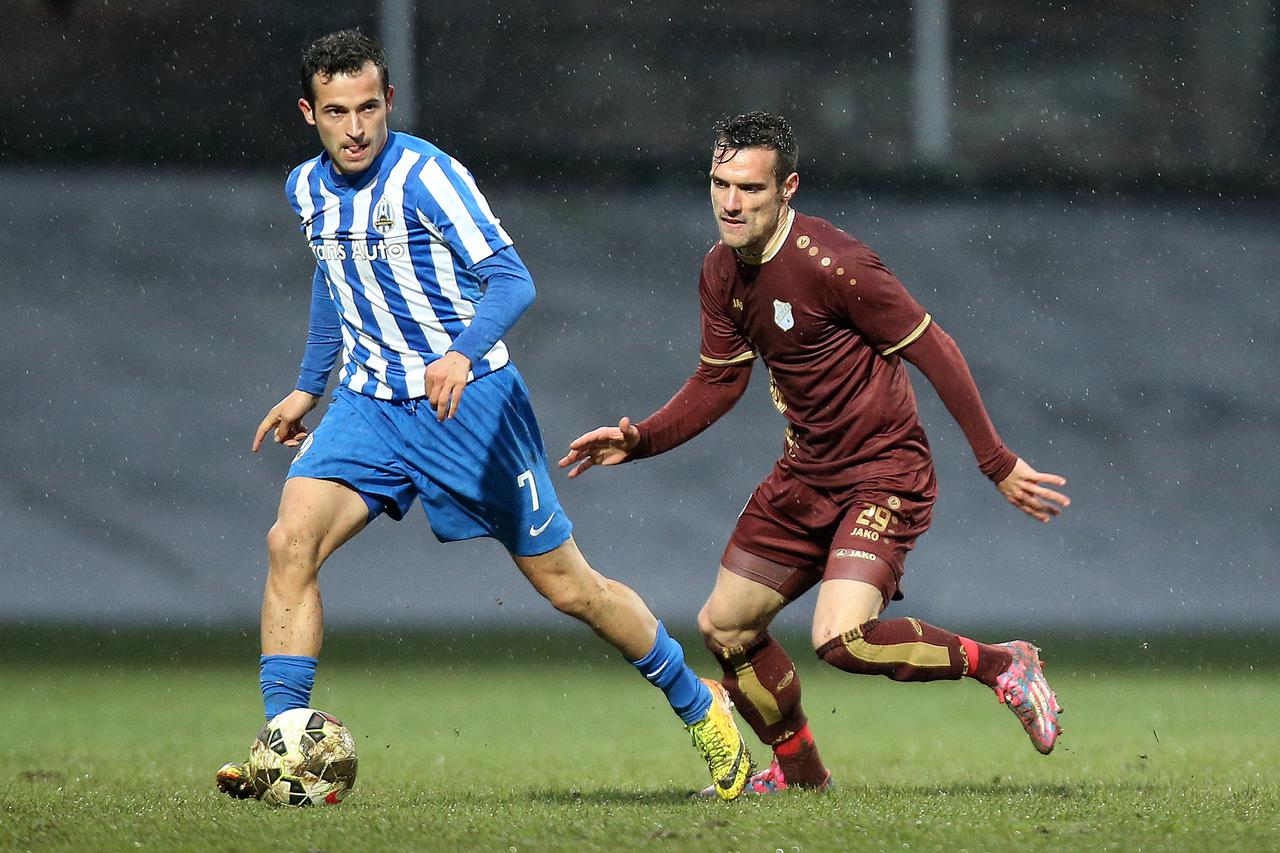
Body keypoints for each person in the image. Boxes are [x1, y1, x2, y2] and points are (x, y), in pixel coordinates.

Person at [215, 30, 754, 802]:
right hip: (369, 404)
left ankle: (705, 711)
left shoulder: (429, 177)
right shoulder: (305, 188)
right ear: (310, 113)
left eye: (370, 106)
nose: (357, 126)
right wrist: (309, 385)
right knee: (288, 540)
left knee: (573, 590)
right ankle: (285, 749)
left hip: (471, 408)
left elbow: (511, 279)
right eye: (337, 111)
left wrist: (462, 352)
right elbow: (334, 276)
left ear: (389, 101)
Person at [561, 111, 1070, 795]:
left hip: (884, 474)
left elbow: (936, 350)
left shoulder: (840, 265)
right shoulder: (720, 272)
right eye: (720, 184)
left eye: (750, 188)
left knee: (844, 638)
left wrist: (996, 461)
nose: (731, 203)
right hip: (806, 474)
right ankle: (801, 774)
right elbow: (719, 380)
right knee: (727, 628)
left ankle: (1004, 662)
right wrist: (643, 437)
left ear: (788, 188)